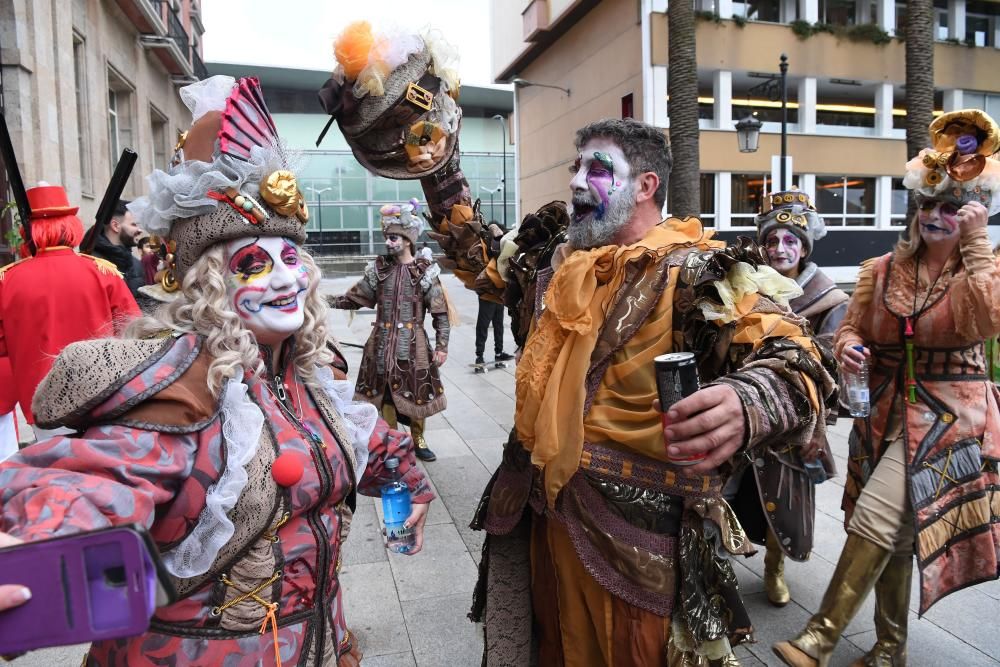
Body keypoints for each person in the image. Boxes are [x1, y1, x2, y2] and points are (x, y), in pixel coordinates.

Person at [0, 75, 433, 666]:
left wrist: (404, 477)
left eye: (290, 258)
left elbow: (361, 437)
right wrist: (29, 542)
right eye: (253, 264)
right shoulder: (181, 387)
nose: (285, 279)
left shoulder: (302, 372)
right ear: (211, 285)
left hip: (317, 646)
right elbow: (92, 479)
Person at [423, 117, 837, 665]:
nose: (575, 181)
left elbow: (797, 355)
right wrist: (434, 162)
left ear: (645, 186)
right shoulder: (557, 263)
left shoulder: (694, 270)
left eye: (597, 169)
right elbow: (482, 264)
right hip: (541, 520)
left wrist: (747, 400)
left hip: (633, 550)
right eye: (576, 168)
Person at [773, 109, 1000, 667]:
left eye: (952, 207)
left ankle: (819, 639)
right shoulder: (879, 269)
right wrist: (846, 344)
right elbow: (850, 326)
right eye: (928, 204)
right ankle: (889, 650)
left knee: (875, 517)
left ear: (973, 211)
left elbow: (987, 319)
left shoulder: (984, 267)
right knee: (893, 536)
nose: (937, 216)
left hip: (951, 419)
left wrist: (976, 243)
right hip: (881, 412)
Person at [721, 189, 847, 609]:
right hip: (742, 407)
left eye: (790, 241)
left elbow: (832, 365)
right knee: (729, 487)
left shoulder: (828, 300)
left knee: (789, 494)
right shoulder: (742, 287)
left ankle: (775, 567)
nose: (779, 249)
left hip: (796, 420)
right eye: (771, 240)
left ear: (804, 247)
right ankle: (720, 558)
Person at [0, 183, 140, 439]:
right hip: (102, 397)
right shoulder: (102, 271)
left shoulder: (6, 280)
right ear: (70, 225)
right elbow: (133, 334)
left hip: (41, 405)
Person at [328, 200, 450, 463]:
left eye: (394, 237)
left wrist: (442, 346)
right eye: (388, 237)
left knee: (416, 395)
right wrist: (322, 300)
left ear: (408, 240)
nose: (389, 242)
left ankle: (418, 439)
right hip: (381, 344)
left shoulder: (424, 272)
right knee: (383, 395)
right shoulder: (379, 270)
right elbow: (355, 298)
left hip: (413, 344)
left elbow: (440, 311)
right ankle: (391, 441)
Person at [82, 198, 146, 297]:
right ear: (115, 225)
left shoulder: (136, 264)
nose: (140, 230)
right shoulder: (92, 263)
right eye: (134, 225)